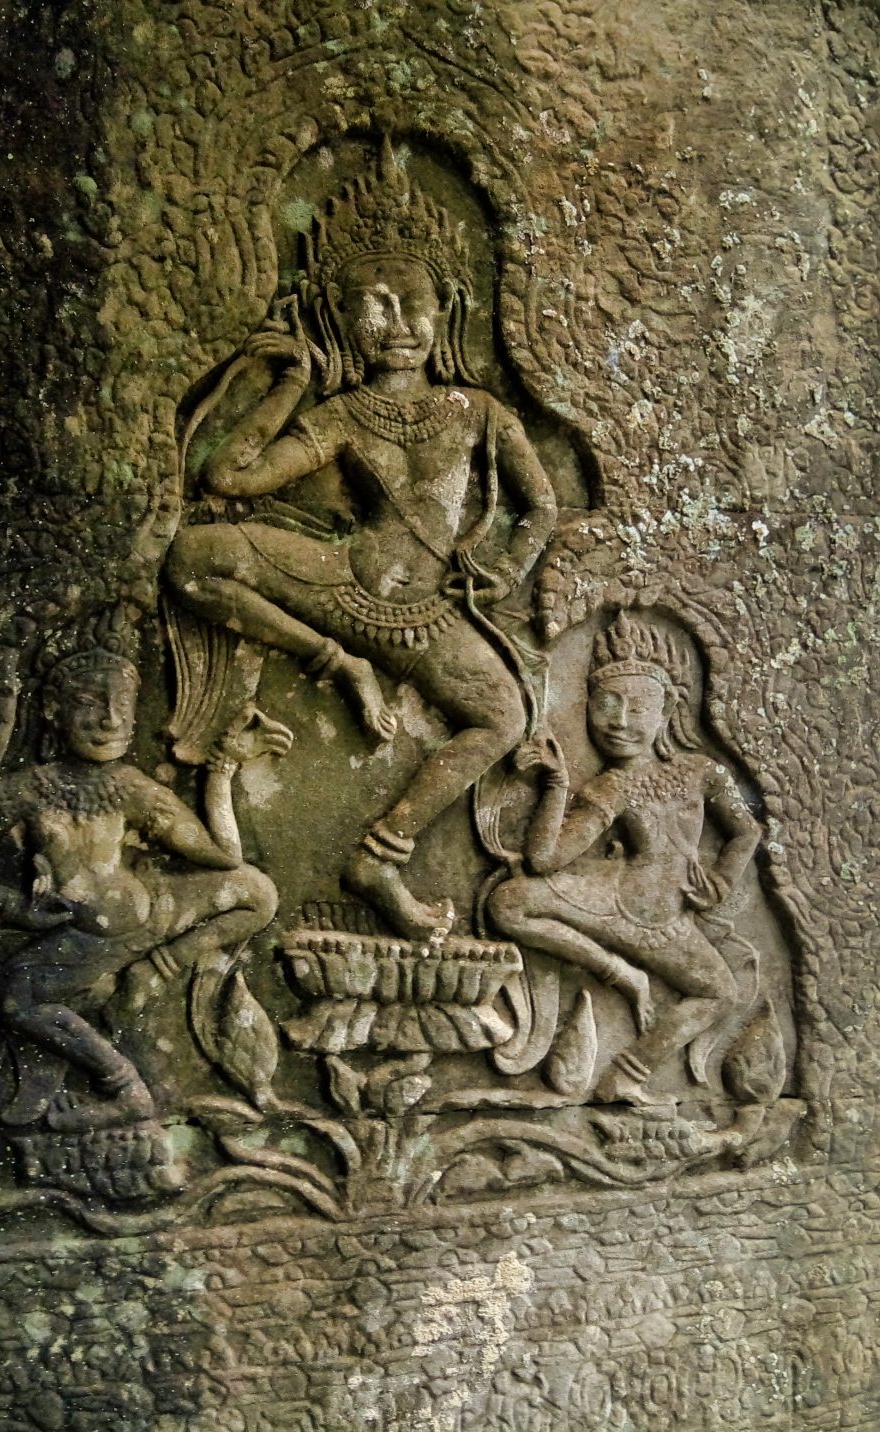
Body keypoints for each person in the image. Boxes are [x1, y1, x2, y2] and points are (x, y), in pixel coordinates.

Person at [164, 143, 556, 940]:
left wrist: (507, 569)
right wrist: (292, 383)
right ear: (339, 318)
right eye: (373, 305)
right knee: (193, 560)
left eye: (414, 303)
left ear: (446, 309)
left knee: (504, 717)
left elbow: (541, 505)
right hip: (344, 583)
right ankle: (338, 664)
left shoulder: (479, 412)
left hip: (432, 613)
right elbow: (230, 479)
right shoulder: (343, 415)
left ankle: (382, 857)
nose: (398, 323)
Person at [0, 647, 281, 1132]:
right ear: (53, 710)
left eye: (123, 704)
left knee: (258, 892)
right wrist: (12, 906)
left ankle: (136, 1053)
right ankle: (127, 1087)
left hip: (142, 913)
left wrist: (223, 769)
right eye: (89, 703)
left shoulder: (131, 788)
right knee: (13, 1000)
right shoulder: (27, 789)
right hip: (81, 933)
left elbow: (224, 858)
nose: (110, 719)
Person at [488, 614, 760, 1106]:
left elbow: (746, 831)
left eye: (638, 708)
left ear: (667, 710)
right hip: (614, 900)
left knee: (721, 994)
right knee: (508, 903)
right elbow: (545, 859)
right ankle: (619, 972)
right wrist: (557, 785)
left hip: (669, 922)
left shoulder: (702, 772)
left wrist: (721, 880)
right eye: (606, 705)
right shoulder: (613, 786)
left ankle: (628, 1075)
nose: (619, 721)